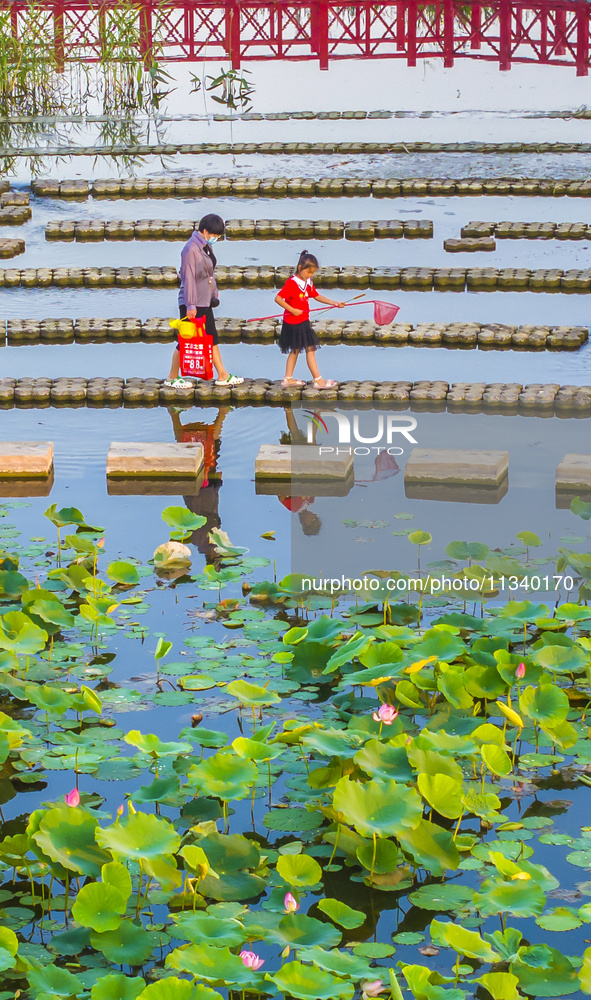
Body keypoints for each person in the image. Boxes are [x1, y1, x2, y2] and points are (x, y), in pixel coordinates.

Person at [165, 213, 243, 388]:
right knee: (185, 340)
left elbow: (209, 274)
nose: (215, 238)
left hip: (205, 300)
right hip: (193, 302)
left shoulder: (205, 246)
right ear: (205, 230)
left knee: (211, 337)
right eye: (214, 235)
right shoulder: (190, 249)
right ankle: (171, 377)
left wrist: (214, 293)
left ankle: (222, 374)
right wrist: (190, 306)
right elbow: (188, 279)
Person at [167, 404, 228, 563]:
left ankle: (222, 413)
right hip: (201, 493)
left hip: (203, 493)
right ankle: (222, 413)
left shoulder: (206, 542)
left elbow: (212, 518)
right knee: (209, 449)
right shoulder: (203, 542)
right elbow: (214, 517)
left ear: (212, 556)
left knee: (206, 449)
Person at [275, 250, 344, 389]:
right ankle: (318, 380)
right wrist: (293, 310)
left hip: (303, 320)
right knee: (309, 349)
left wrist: (334, 303)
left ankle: (287, 379)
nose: (310, 275)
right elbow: (278, 298)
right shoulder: (292, 283)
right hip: (294, 322)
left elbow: (316, 296)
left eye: (312, 273)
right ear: (300, 268)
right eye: (308, 272)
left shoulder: (308, 282)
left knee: (295, 350)